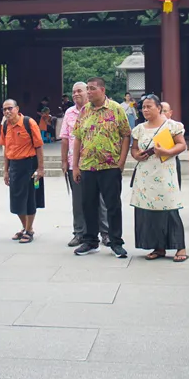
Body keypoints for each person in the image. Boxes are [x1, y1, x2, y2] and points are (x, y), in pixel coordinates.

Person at [72, 77, 131, 258]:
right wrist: (75, 165)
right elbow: (78, 138)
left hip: (110, 166)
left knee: (112, 205)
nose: (88, 92)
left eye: (92, 89)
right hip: (88, 167)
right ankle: (90, 241)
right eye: (87, 89)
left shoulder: (116, 109)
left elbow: (126, 135)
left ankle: (115, 242)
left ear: (102, 90)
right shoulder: (84, 111)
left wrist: (121, 162)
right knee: (88, 204)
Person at [130, 94, 189, 261]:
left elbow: (181, 145)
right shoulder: (139, 128)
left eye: (149, 106)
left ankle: (180, 247)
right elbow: (133, 149)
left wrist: (167, 152)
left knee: (169, 208)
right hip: (145, 175)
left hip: (164, 173)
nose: (145, 110)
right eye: (143, 107)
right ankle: (158, 246)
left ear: (158, 107)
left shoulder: (172, 126)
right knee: (149, 211)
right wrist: (137, 155)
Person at [61, 82, 109, 247]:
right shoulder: (69, 113)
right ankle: (79, 233)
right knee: (78, 200)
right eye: (73, 92)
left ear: (87, 93)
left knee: (101, 200)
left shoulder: (94, 110)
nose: (76, 94)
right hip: (75, 164)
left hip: (95, 163)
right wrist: (64, 162)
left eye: (79, 91)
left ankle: (105, 233)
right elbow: (65, 139)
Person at [0, 99, 46, 243]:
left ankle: (29, 229)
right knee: (16, 200)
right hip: (14, 165)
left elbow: (39, 146)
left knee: (30, 199)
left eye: (10, 108)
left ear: (17, 108)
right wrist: (5, 170)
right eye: (4, 109)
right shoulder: (5, 125)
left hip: (29, 165)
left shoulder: (28, 122)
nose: (7, 111)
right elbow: (6, 149)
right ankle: (24, 227)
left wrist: (41, 168)